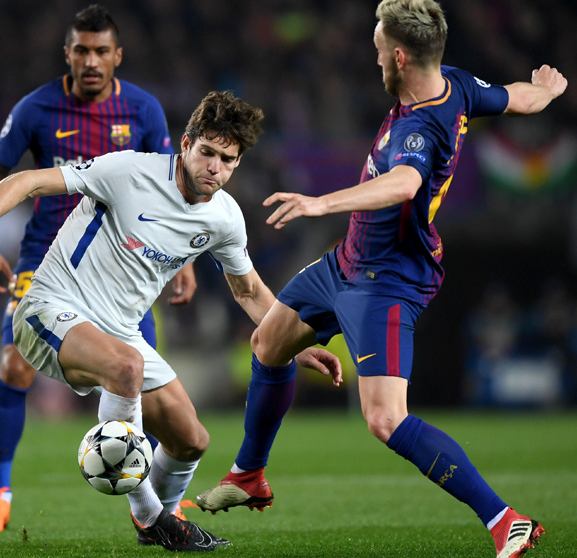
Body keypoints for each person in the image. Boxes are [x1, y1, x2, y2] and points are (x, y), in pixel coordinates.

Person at [193, 2, 567, 558]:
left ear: (397, 56)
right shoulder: (457, 84)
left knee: (385, 418)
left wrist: (321, 202)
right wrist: (548, 91)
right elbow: (520, 97)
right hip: (347, 261)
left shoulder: (421, 123)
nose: (374, 62)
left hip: (386, 279)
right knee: (268, 343)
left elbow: (403, 183)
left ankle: (504, 519)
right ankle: (249, 473)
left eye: (376, 51)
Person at [0, 90, 342, 551]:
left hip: (120, 333)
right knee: (126, 367)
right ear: (186, 144)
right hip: (48, 309)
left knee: (191, 440)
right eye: (207, 152)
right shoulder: (129, 171)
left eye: (227, 160)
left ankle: (160, 525)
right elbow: (29, 180)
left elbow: (248, 291)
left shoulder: (225, 218)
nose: (215, 167)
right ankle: (151, 517)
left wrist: (292, 339)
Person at [0, 4, 198, 533]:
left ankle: (163, 506)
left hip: (123, 268)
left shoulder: (143, 110)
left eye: (101, 51)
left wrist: (183, 262)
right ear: (66, 53)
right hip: (47, 261)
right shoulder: (36, 108)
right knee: (13, 366)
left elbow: (174, 189)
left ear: (118, 56)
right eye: (81, 50)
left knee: (150, 388)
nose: (91, 61)